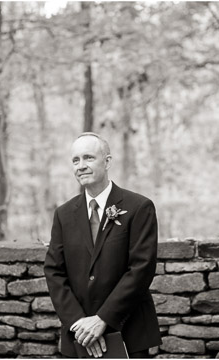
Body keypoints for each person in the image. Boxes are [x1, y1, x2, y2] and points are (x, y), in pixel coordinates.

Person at [44, 132, 162, 358]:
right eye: (75, 160)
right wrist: (79, 324)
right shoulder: (64, 214)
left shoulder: (139, 207)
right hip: (78, 337)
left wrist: (102, 319)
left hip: (129, 332)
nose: (81, 166)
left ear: (107, 161)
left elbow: (141, 269)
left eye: (88, 158)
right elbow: (54, 271)